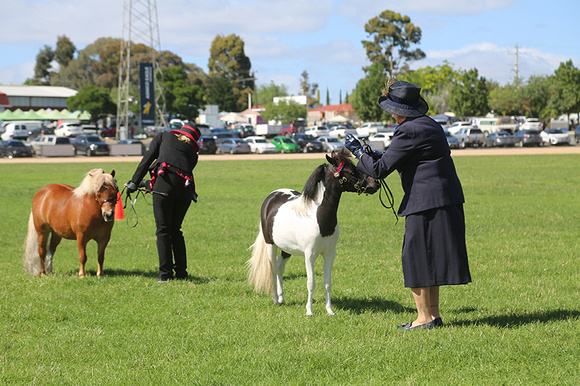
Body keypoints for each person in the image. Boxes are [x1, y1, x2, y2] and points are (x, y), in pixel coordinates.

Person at [345, 80, 471, 330]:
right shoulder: (430, 125)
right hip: (444, 198)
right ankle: (433, 316)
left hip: (425, 202)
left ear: (398, 109)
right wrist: (375, 155)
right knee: (431, 258)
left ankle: (423, 319)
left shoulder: (408, 130)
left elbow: (379, 170)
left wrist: (359, 154)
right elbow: (407, 157)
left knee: (417, 258)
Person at [126, 125, 200, 282]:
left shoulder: (164, 136)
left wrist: (134, 181)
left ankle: (165, 275)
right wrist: (145, 184)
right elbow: (178, 174)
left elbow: (148, 159)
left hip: (165, 186)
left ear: (179, 132)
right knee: (175, 231)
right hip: (186, 190)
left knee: (163, 231)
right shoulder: (193, 154)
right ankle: (181, 273)